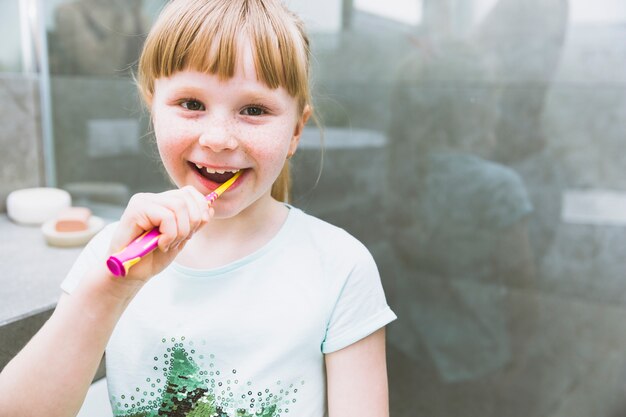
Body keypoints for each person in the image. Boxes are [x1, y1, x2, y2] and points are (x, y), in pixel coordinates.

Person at [0, 1, 396, 416]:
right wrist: (110, 290)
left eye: (254, 110)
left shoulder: (340, 267)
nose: (219, 138)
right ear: (153, 107)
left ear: (296, 130)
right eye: (191, 103)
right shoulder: (111, 254)